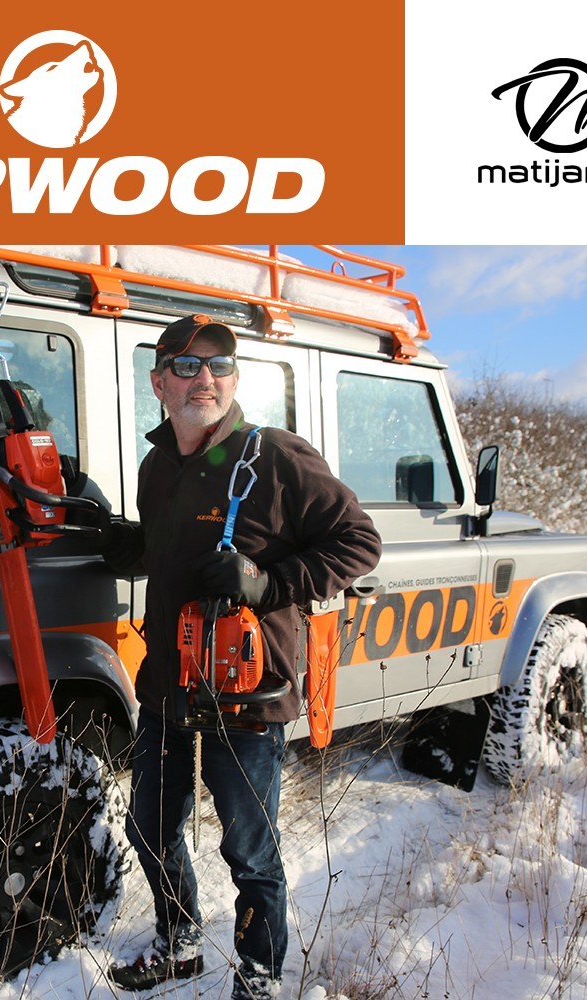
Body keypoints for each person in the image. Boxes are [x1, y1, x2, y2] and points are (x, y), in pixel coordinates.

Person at [104, 314, 381, 997]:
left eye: (220, 364)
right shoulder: (156, 466)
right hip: (169, 683)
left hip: (247, 693)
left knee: (249, 851)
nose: (206, 377)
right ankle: (179, 943)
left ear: (234, 379)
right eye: (188, 364)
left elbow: (358, 541)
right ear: (159, 382)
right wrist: (116, 540)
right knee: (149, 828)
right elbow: (171, 552)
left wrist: (270, 583)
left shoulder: (276, 457)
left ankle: (259, 977)